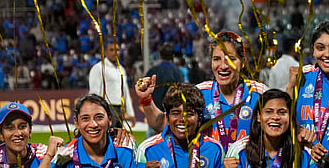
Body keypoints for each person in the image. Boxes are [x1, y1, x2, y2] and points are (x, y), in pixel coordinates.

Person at [138, 31, 266, 154]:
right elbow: (161, 123)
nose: (223, 66)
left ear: (243, 62)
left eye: (231, 59)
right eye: (216, 59)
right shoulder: (199, 92)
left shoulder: (260, 94)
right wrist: (146, 100)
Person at [87, 41, 135, 123]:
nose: (115, 53)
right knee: (106, 135)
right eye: (112, 50)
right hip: (106, 108)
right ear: (105, 52)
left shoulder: (121, 70)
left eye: (117, 50)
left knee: (117, 135)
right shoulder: (99, 68)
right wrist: (96, 111)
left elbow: (125, 91)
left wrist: (131, 113)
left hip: (119, 109)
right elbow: (94, 92)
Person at [142, 43, 186, 112]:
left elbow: (144, 89)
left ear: (160, 56)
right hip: (172, 112)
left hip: (155, 111)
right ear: (173, 57)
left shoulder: (152, 71)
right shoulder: (179, 72)